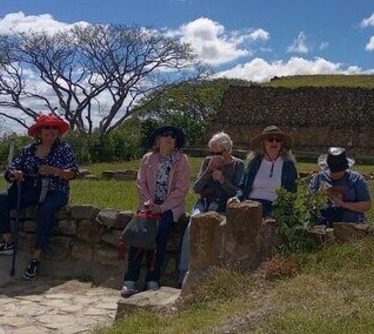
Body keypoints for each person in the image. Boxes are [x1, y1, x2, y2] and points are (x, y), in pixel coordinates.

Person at [0, 114, 78, 280]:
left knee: (46, 209)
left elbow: (71, 174)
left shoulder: (65, 149)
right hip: (30, 189)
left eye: (54, 127)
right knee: (1, 198)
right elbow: (11, 169)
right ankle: (8, 242)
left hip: (55, 190)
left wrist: (54, 171)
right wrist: (15, 174)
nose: (51, 131)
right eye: (47, 127)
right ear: (39, 132)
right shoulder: (28, 150)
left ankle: (36, 256)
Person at [120, 125, 190, 298]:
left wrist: (163, 207)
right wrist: (148, 203)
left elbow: (181, 189)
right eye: (165, 135)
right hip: (148, 205)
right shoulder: (148, 159)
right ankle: (130, 279)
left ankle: (153, 278)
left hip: (170, 207)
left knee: (161, 233)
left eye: (173, 136)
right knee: (139, 234)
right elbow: (141, 183)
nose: (169, 138)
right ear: (157, 139)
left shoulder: (182, 160)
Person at [177, 131, 244, 286]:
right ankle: (183, 272)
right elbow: (197, 188)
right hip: (205, 203)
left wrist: (222, 180)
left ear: (228, 152)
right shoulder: (207, 162)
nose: (214, 156)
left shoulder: (237, 165)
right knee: (192, 226)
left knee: (220, 231)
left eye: (218, 153)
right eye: (212, 152)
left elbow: (238, 192)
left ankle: (215, 274)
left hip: (224, 206)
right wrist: (208, 171)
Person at [228, 125, 297, 217]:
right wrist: (236, 197)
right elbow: (242, 186)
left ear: (282, 144)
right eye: (270, 139)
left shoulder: (288, 165)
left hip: (275, 207)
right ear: (263, 143)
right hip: (251, 204)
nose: (274, 142)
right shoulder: (254, 163)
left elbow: (292, 191)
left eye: (278, 140)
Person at [308, 147, 371, 225]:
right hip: (323, 221)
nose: (335, 173)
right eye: (333, 170)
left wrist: (343, 204)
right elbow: (308, 203)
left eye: (338, 170)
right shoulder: (319, 178)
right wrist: (320, 196)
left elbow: (366, 205)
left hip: (351, 222)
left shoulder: (356, 179)